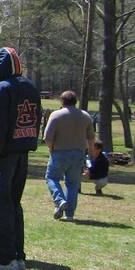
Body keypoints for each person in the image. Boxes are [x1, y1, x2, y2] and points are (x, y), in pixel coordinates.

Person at [0, 47, 41, 270]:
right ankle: (13, 251)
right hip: (22, 154)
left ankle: (6, 258)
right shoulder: (30, 87)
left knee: (0, 206)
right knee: (13, 204)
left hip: (2, 158)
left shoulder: (0, 91)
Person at [43, 90, 94, 222]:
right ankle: (69, 214)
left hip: (60, 152)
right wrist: (91, 155)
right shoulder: (85, 116)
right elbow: (91, 138)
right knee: (72, 183)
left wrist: (51, 149)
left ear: (62, 101)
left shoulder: (56, 115)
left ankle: (59, 200)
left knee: (51, 177)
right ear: (75, 101)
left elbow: (48, 137)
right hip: (78, 153)